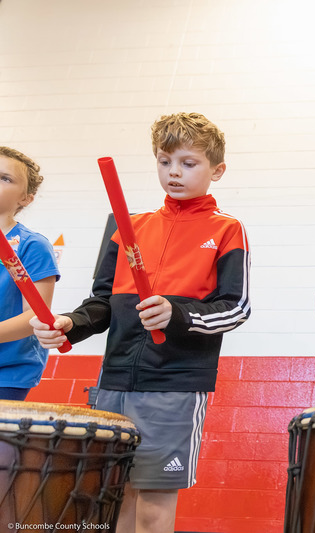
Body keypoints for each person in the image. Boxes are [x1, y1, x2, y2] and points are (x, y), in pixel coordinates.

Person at [31, 112, 251, 533]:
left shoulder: (226, 230)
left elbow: (235, 308)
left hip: (175, 386)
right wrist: (70, 324)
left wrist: (177, 314)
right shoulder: (127, 227)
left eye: (188, 163)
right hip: (114, 382)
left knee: (152, 505)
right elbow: (101, 303)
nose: (174, 172)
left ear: (217, 170)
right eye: (165, 161)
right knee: (113, 499)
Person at [0, 147, 60, 401]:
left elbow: (35, 316)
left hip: (7, 372)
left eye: (5, 178)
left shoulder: (32, 245)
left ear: (25, 198)